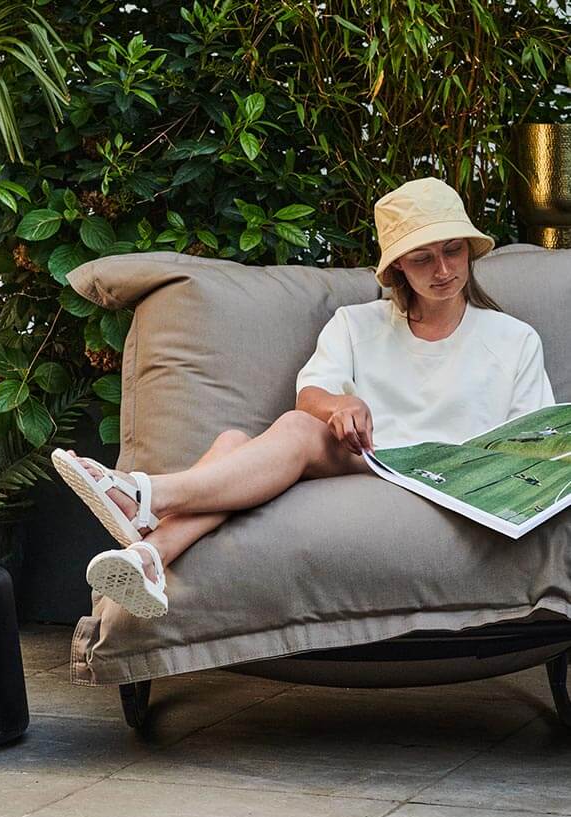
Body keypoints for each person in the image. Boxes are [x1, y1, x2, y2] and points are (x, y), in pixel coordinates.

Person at [51, 176, 555, 618]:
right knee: (235, 441)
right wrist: (340, 406)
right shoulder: (357, 324)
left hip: (452, 478)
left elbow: (538, 445)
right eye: (423, 258)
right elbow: (311, 395)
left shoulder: (513, 339)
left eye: (453, 251)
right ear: (399, 266)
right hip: (371, 459)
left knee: (283, 432)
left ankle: (146, 498)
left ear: (469, 250)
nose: (442, 269)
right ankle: (148, 558)